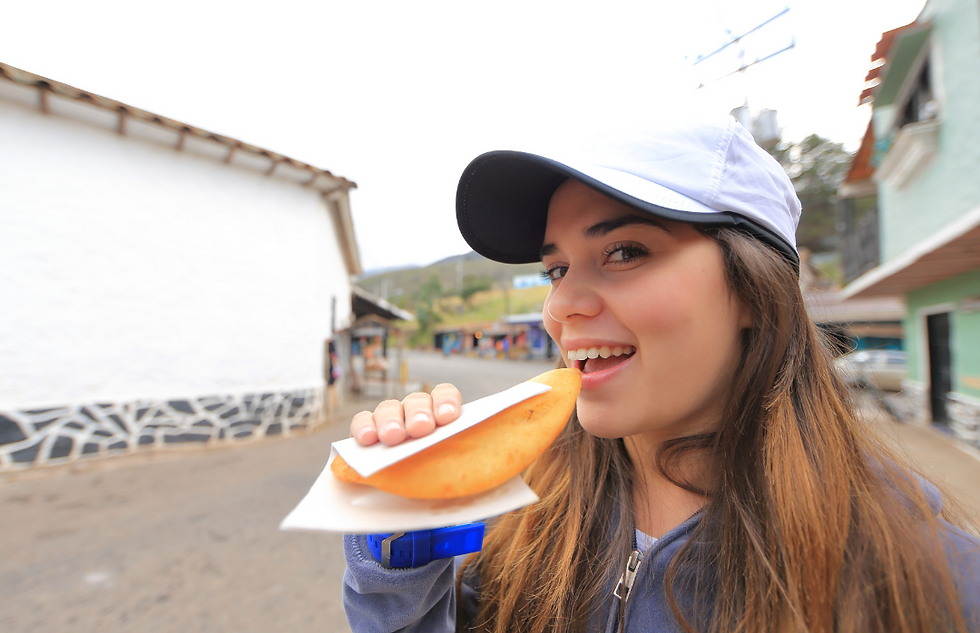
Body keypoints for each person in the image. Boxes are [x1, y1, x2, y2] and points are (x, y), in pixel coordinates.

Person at [341, 114, 980, 633]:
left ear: (755, 293)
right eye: (557, 269)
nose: (559, 308)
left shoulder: (926, 579)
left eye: (624, 252)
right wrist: (400, 560)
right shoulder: (525, 508)